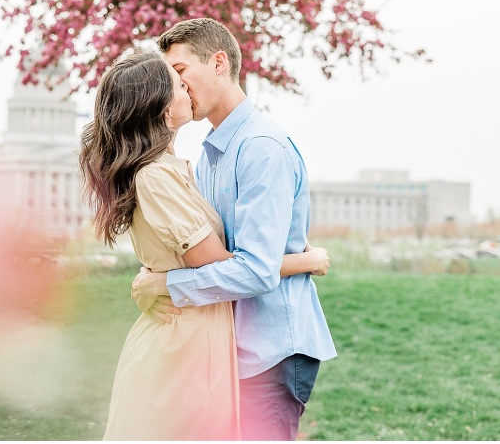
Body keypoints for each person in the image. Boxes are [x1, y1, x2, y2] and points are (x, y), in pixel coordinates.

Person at [79, 52, 330, 440]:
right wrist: (305, 260)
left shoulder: (216, 157)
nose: (185, 88)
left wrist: (161, 282)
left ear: (218, 63)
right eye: (177, 83)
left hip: (221, 339)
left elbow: (209, 260)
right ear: (161, 108)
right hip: (184, 342)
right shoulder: (162, 174)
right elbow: (232, 264)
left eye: (182, 74)